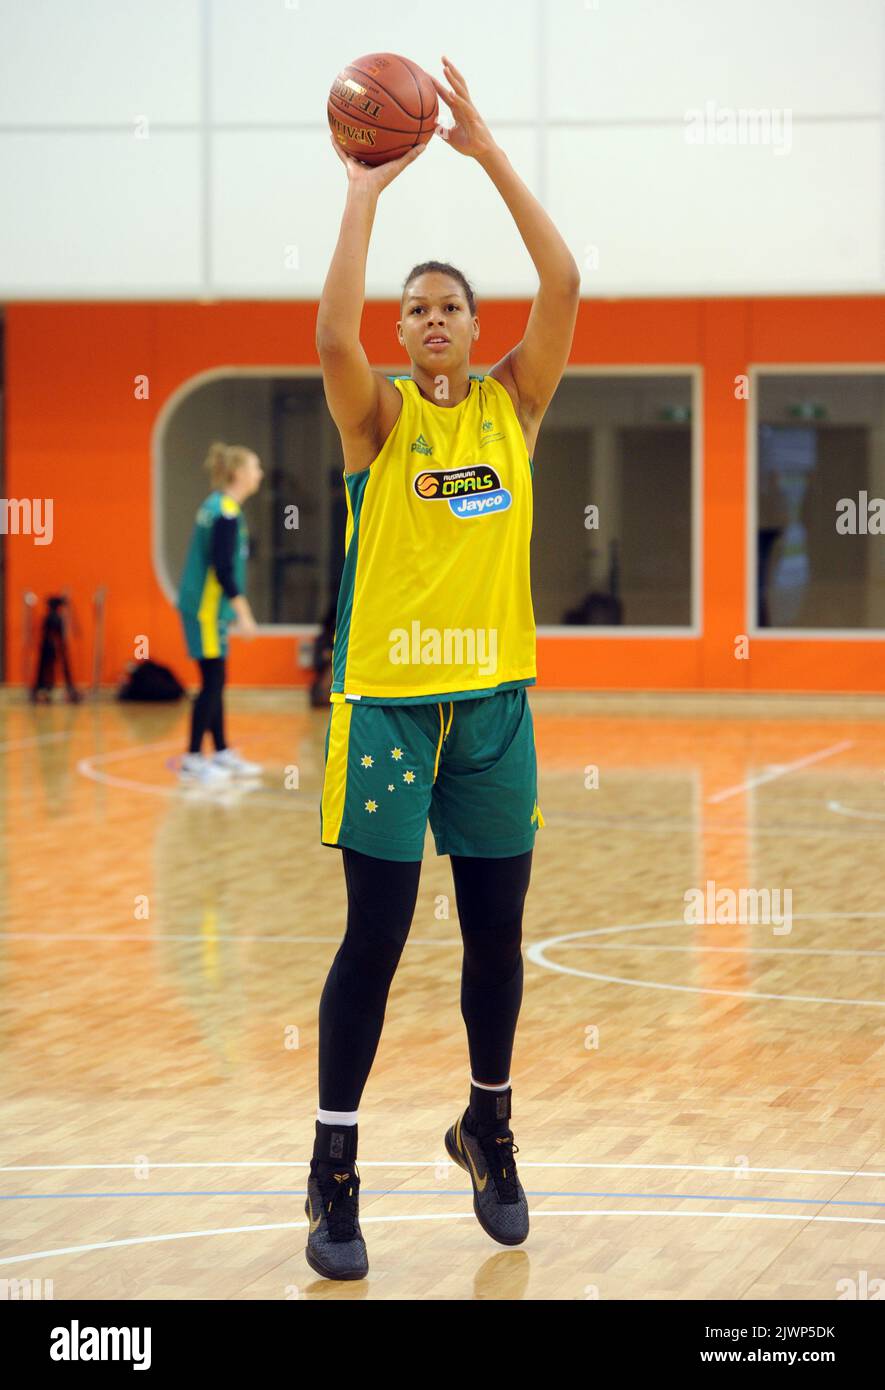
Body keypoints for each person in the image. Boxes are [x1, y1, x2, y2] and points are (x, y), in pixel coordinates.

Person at [307, 54, 580, 1281]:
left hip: (494, 711)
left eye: (447, 306)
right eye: (413, 307)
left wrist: (486, 155)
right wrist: (366, 184)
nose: (428, 319)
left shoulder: (510, 410)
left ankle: (489, 1127)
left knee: (496, 937)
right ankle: (334, 1169)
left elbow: (566, 279)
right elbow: (327, 333)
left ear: (476, 330)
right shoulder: (379, 424)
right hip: (387, 714)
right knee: (375, 937)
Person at [176, 441, 264, 786]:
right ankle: (194, 757)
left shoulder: (220, 506)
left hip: (210, 608)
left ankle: (222, 750)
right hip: (205, 609)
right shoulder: (225, 512)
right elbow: (222, 568)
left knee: (216, 679)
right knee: (212, 681)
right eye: (255, 467)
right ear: (239, 473)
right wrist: (244, 613)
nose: (260, 474)